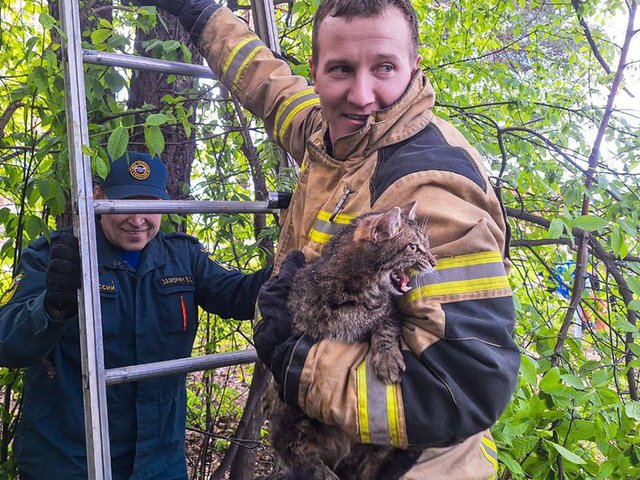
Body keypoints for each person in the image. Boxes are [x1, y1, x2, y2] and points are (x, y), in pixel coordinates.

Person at [129, 0, 521, 477]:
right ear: (315, 70)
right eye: (340, 69)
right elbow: (268, 85)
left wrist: (299, 359)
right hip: (328, 449)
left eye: (384, 67)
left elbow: (463, 392)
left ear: (415, 65)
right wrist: (200, 14)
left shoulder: (430, 186)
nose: (360, 95)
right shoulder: (332, 135)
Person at [0, 151, 271, 479]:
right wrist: (53, 305)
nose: (138, 219)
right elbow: (7, 343)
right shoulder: (55, 257)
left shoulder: (182, 256)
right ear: (99, 198)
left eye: (151, 203)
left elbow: (241, 297)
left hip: (158, 461)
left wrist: (294, 265)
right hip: (69, 460)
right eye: (126, 203)